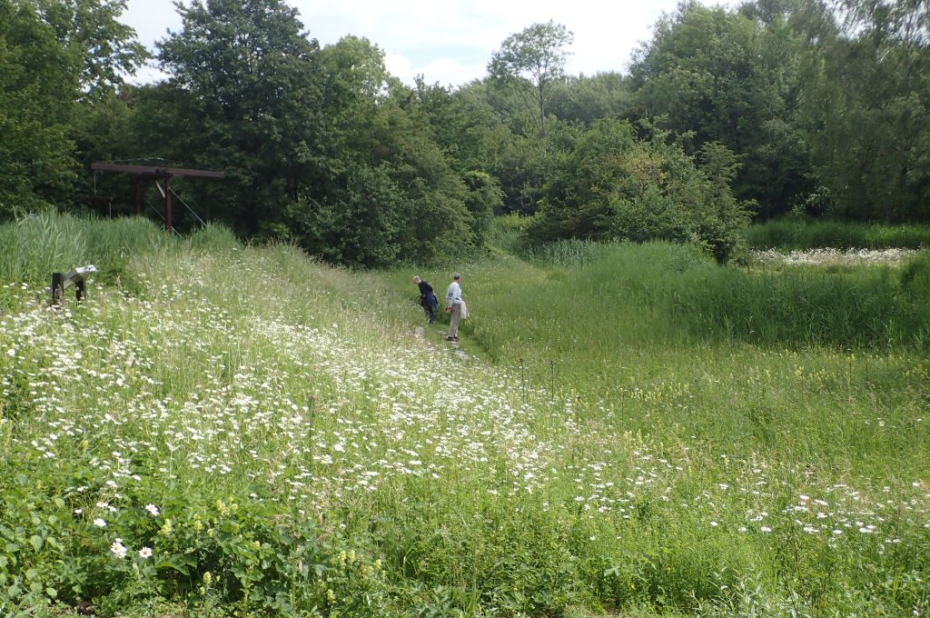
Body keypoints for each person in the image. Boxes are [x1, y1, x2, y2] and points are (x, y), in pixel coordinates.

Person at [444, 273, 464, 341]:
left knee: (455, 319)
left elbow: (448, 295)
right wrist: (450, 305)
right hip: (456, 304)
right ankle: (451, 336)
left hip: (452, 303)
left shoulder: (451, 285)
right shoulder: (456, 286)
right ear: (459, 279)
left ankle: (454, 334)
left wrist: (448, 303)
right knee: (455, 320)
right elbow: (454, 296)